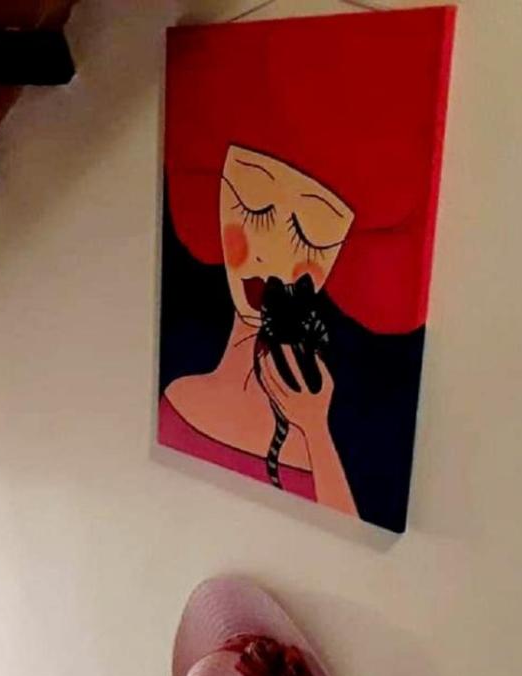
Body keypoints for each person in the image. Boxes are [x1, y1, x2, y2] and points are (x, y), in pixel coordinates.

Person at [157, 10, 452, 533]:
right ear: (216, 195)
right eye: (254, 204)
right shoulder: (176, 399)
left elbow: (353, 528)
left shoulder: (321, 432)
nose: (271, 253)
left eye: (311, 232)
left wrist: (314, 429)